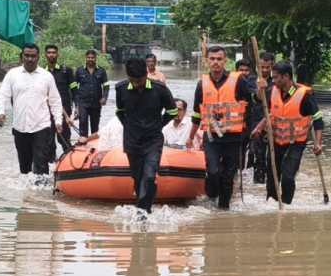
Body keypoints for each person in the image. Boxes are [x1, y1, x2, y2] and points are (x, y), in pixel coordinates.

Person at [190, 46, 259, 210]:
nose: (216, 62)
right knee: (213, 172)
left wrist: (247, 134)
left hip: (234, 137)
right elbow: (197, 113)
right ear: (207, 61)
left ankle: (223, 210)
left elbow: (248, 108)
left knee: (228, 176)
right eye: (212, 59)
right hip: (212, 136)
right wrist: (191, 136)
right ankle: (212, 194)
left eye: (219, 59)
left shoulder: (239, 81)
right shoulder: (202, 84)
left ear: (225, 61)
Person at [251, 60, 323, 205]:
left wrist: (318, 144)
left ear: (286, 77)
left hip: (296, 143)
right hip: (276, 141)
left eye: (276, 77)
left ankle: (286, 206)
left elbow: (318, 120)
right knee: (272, 178)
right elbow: (264, 106)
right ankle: (271, 206)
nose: (274, 79)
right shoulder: (272, 90)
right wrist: (259, 127)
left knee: (288, 177)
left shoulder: (305, 95)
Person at [115, 57, 177, 213]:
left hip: (153, 140)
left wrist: (158, 125)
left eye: (140, 80)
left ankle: (142, 213)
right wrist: (129, 126)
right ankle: (144, 209)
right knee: (137, 178)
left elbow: (173, 111)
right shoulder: (120, 88)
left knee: (149, 176)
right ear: (128, 77)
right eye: (134, 81)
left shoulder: (159, 88)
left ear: (146, 74)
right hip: (132, 141)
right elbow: (120, 111)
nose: (137, 84)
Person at [0, 43, 60, 175]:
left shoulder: (46, 76)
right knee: (25, 168)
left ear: (38, 57)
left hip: (41, 127)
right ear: (21, 57)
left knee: (41, 165)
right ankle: (27, 195)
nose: (30, 59)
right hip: (20, 128)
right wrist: (0, 112)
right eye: (27, 56)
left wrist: (58, 121)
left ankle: (41, 194)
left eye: (33, 56)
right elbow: (2, 95)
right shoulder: (12, 75)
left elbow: (55, 101)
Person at [250, 50, 275, 184]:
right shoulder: (250, 80)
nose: (264, 70)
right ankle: (258, 184)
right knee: (256, 155)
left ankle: (272, 183)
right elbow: (256, 98)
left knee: (273, 157)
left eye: (267, 67)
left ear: (272, 67)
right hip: (255, 124)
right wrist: (261, 88)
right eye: (262, 67)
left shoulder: (277, 81)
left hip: (274, 124)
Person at [45, 44, 75, 153]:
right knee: (49, 141)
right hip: (46, 111)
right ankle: (51, 165)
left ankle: (69, 162)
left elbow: (74, 90)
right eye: (49, 53)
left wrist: (77, 108)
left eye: (53, 52)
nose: (51, 55)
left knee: (64, 139)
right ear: (45, 55)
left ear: (57, 54)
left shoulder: (66, 71)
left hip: (65, 110)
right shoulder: (42, 73)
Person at [72, 49, 108, 137]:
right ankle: (83, 143)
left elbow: (106, 86)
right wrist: (76, 104)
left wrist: (104, 97)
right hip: (83, 102)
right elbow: (73, 87)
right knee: (83, 122)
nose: (90, 59)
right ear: (86, 58)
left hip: (96, 103)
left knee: (95, 126)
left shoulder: (101, 71)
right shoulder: (79, 70)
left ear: (96, 58)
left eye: (92, 57)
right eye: (89, 57)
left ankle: (94, 146)